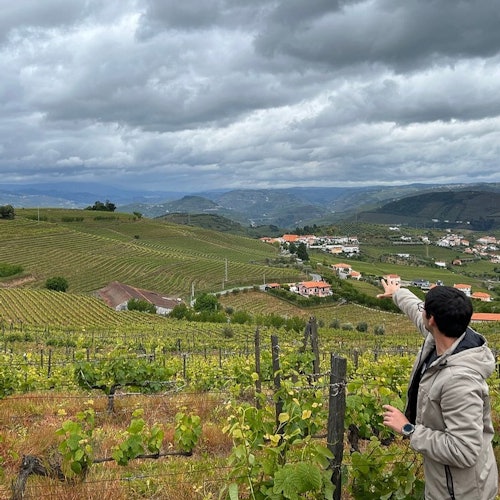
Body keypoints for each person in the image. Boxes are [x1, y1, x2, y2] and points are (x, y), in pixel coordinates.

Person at [377, 277, 498, 499]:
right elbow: (415, 309)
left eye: (425, 309)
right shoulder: (447, 336)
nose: (420, 311)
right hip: (446, 482)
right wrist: (397, 293)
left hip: (461, 492)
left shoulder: (459, 382)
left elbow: (464, 451)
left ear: (432, 319)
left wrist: (408, 429)